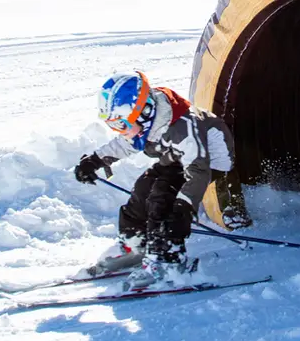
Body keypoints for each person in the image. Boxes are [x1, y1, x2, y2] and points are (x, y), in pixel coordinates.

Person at [75, 70, 233, 290]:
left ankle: (167, 261)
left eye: (121, 125)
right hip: (176, 158)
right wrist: (95, 161)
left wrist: (184, 207)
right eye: (114, 126)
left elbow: (198, 170)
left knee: (163, 198)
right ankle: (136, 246)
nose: (120, 131)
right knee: (142, 190)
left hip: (208, 162)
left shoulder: (182, 127)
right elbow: (125, 144)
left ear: (143, 113)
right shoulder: (147, 123)